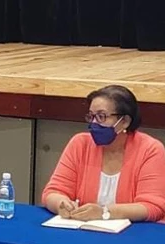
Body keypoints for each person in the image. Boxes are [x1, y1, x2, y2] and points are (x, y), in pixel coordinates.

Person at [42, 85, 165, 223]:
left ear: (125, 121)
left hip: (135, 233)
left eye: (101, 116)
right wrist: (62, 204)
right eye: (91, 116)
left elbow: (152, 206)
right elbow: (52, 192)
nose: (94, 123)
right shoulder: (80, 144)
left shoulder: (150, 150)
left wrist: (104, 212)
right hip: (85, 231)